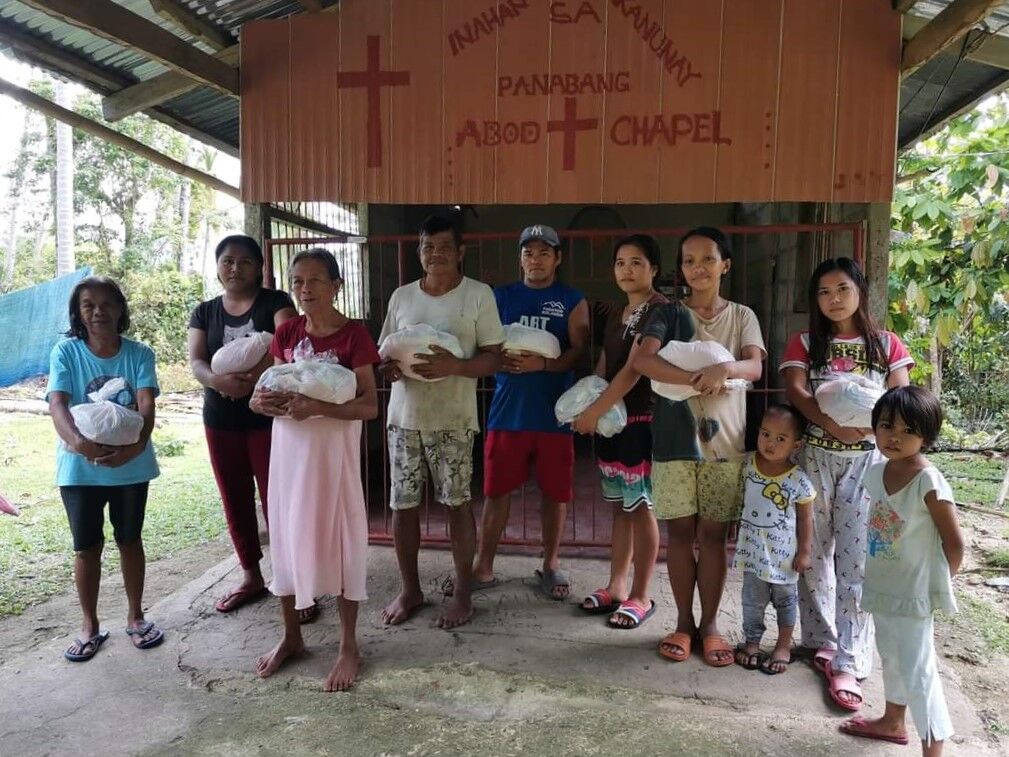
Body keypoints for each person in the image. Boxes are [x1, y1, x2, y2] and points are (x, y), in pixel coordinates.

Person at [780, 257, 912, 709]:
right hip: (814, 459)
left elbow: (900, 398)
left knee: (857, 563)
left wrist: (873, 430)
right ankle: (822, 642)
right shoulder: (804, 342)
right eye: (824, 292)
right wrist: (830, 424)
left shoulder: (887, 344)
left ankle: (850, 659)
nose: (833, 299)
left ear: (860, 291)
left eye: (842, 289)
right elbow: (797, 391)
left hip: (866, 464)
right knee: (812, 553)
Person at [633, 226, 765, 666]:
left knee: (713, 537)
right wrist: (698, 379)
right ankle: (683, 623)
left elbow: (754, 367)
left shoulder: (742, 315)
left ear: (725, 264)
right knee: (679, 535)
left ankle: (710, 625)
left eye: (708, 258)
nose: (698, 268)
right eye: (689, 260)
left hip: (725, 444)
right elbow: (644, 360)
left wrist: (724, 368)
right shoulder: (667, 313)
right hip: (673, 442)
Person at [250, 249, 379, 692]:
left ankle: (348, 645)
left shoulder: (354, 336)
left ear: (336, 286)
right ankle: (291, 636)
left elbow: (369, 405)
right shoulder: (286, 332)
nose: (305, 290)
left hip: (333, 455)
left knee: (341, 537)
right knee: (287, 533)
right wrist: (259, 402)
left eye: (316, 280)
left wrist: (318, 408)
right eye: (297, 281)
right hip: (289, 453)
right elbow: (273, 387)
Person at [378, 214, 504, 629]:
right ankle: (410, 590)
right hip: (404, 418)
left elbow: (494, 357)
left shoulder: (478, 295)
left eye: (445, 247)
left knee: (457, 505)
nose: (436, 254)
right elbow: (384, 353)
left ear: (461, 251)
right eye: (428, 247)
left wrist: (456, 366)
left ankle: (463, 592)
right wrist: (389, 369)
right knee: (403, 506)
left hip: (454, 419)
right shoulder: (401, 297)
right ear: (419, 251)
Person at [46, 276, 164, 662]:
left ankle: (136, 616)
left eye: (107, 304)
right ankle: (89, 625)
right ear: (78, 313)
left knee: (130, 540)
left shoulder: (139, 354)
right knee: (86, 548)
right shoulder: (66, 352)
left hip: (131, 466)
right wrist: (79, 444)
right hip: (80, 469)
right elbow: (58, 404)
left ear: (120, 309)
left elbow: (146, 406)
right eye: (88, 305)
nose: (98, 312)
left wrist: (135, 448)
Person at [840, 386, 963, 755]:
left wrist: (935, 586)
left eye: (908, 430)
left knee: (919, 672)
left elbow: (954, 542)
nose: (894, 437)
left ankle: (933, 748)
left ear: (927, 436)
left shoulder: (928, 481)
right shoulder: (877, 473)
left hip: (914, 595)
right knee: (891, 656)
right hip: (883, 585)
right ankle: (893, 722)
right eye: (886, 426)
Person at [472, 224, 588, 601]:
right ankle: (483, 566)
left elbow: (579, 351)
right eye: (528, 253)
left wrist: (545, 365)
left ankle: (550, 564)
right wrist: (496, 359)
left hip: (554, 415)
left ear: (557, 258)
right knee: (496, 492)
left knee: (555, 494)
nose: (535, 259)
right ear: (520, 258)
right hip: (508, 413)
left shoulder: (572, 299)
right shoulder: (500, 296)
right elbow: (483, 344)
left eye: (543, 253)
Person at [188, 235, 298, 616]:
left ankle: (293, 581)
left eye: (246, 261)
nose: (235, 268)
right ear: (218, 267)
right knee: (234, 497)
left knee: (278, 499)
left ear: (260, 267)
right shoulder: (204, 312)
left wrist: (252, 380)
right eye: (228, 261)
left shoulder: (276, 303)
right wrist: (218, 382)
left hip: (269, 420)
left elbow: (289, 343)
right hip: (221, 421)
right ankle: (251, 575)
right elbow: (197, 361)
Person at [573, 234, 667, 628]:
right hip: (612, 422)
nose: (626, 270)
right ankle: (616, 585)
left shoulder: (660, 310)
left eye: (636, 262)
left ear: (654, 269)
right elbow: (605, 363)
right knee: (620, 506)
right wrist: (585, 402)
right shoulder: (618, 312)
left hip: (642, 420)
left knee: (641, 506)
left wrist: (595, 410)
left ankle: (641, 595)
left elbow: (633, 369)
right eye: (620, 263)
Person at [732, 404, 815, 674]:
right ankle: (752, 643)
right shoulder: (748, 465)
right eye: (766, 434)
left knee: (785, 602)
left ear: (796, 445)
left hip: (784, 559)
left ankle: (783, 645)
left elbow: (806, 519)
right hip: (753, 554)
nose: (771, 443)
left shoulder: (798, 479)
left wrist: (804, 552)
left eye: (781, 438)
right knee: (752, 602)